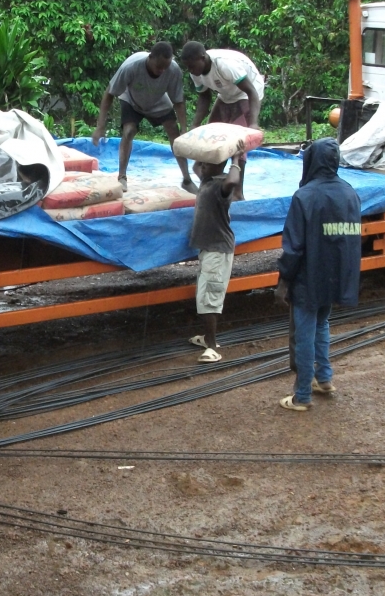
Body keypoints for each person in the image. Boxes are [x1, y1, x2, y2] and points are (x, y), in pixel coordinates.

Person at [275, 138, 362, 411]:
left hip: (308, 278)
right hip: (337, 275)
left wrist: (284, 280)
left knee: (303, 334)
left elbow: (294, 247)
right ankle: (324, 379)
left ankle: (302, 396)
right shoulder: (350, 193)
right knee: (322, 324)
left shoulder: (304, 196)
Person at [92, 41, 196, 193]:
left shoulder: (173, 70)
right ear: (150, 57)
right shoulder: (131, 67)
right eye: (158, 66)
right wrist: (100, 126)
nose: (161, 70)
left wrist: (184, 129)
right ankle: (122, 176)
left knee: (174, 131)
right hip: (131, 98)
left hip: (158, 100)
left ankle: (187, 179)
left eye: (165, 67)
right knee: (129, 131)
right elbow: (109, 93)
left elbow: (179, 102)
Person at [180, 42, 264, 199]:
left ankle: (238, 192)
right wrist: (195, 124)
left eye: (192, 66)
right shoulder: (195, 73)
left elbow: (251, 91)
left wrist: (253, 123)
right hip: (225, 95)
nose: (190, 70)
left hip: (247, 93)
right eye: (188, 67)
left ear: (202, 58)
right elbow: (204, 97)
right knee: (211, 134)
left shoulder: (225, 65)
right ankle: (208, 179)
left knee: (237, 141)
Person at [187, 160, 241, 363]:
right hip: (208, 249)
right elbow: (195, 168)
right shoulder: (207, 181)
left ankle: (212, 347)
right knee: (203, 296)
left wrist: (236, 159)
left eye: (206, 164)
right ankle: (207, 338)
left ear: (219, 165)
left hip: (218, 250)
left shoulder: (221, 185)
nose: (201, 167)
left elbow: (233, 180)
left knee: (210, 298)